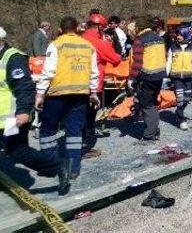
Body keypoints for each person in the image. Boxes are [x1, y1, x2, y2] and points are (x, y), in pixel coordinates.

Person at [36, 17, 100, 195]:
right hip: (80, 95)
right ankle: (73, 169)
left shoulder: (56, 45)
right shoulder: (88, 46)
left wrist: (40, 94)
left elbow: (48, 72)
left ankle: (51, 166)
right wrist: (93, 93)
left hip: (58, 95)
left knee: (48, 130)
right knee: (74, 132)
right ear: (76, 28)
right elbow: (94, 72)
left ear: (60, 29)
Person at [0, 27, 61, 187]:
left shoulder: (13, 58)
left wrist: (23, 111)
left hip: (13, 118)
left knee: (17, 151)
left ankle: (55, 166)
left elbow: (25, 87)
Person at [81, 13, 121, 158]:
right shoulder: (98, 43)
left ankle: (76, 145)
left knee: (77, 115)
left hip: (76, 84)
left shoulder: (80, 39)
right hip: (93, 85)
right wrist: (108, 43)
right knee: (89, 117)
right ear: (99, 27)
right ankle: (85, 147)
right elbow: (115, 59)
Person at [130, 16, 167, 141]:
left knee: (147, 105)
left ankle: (149, 135)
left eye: (135, 27)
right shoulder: (159, 38)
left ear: (139, 27)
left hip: (147, 76)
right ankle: (155, 131)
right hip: (160, 75)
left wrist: (131, 79)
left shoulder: (140, 40)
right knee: (152, 104)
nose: (134, 29)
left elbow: (137, 63)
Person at [166, 28, 192, 130]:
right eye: (177, 34)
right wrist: (166, 75)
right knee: (180, 98)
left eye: (181, 34)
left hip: (189, 77)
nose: (178, 36)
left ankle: (178, 112)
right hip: (176, 77)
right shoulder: (172, 48)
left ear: (186, 35)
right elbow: (168, 62)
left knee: (187, 98)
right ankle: (182, 120)